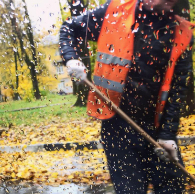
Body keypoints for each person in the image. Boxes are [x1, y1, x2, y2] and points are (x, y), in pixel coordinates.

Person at [59, 0, 194, 193]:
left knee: (173, 187)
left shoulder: (183, 33)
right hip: (118, 125)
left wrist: (168, 134)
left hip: (158, 126)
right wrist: (71, 58)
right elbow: (68, 29)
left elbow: (178, 89)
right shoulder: (115, 11)